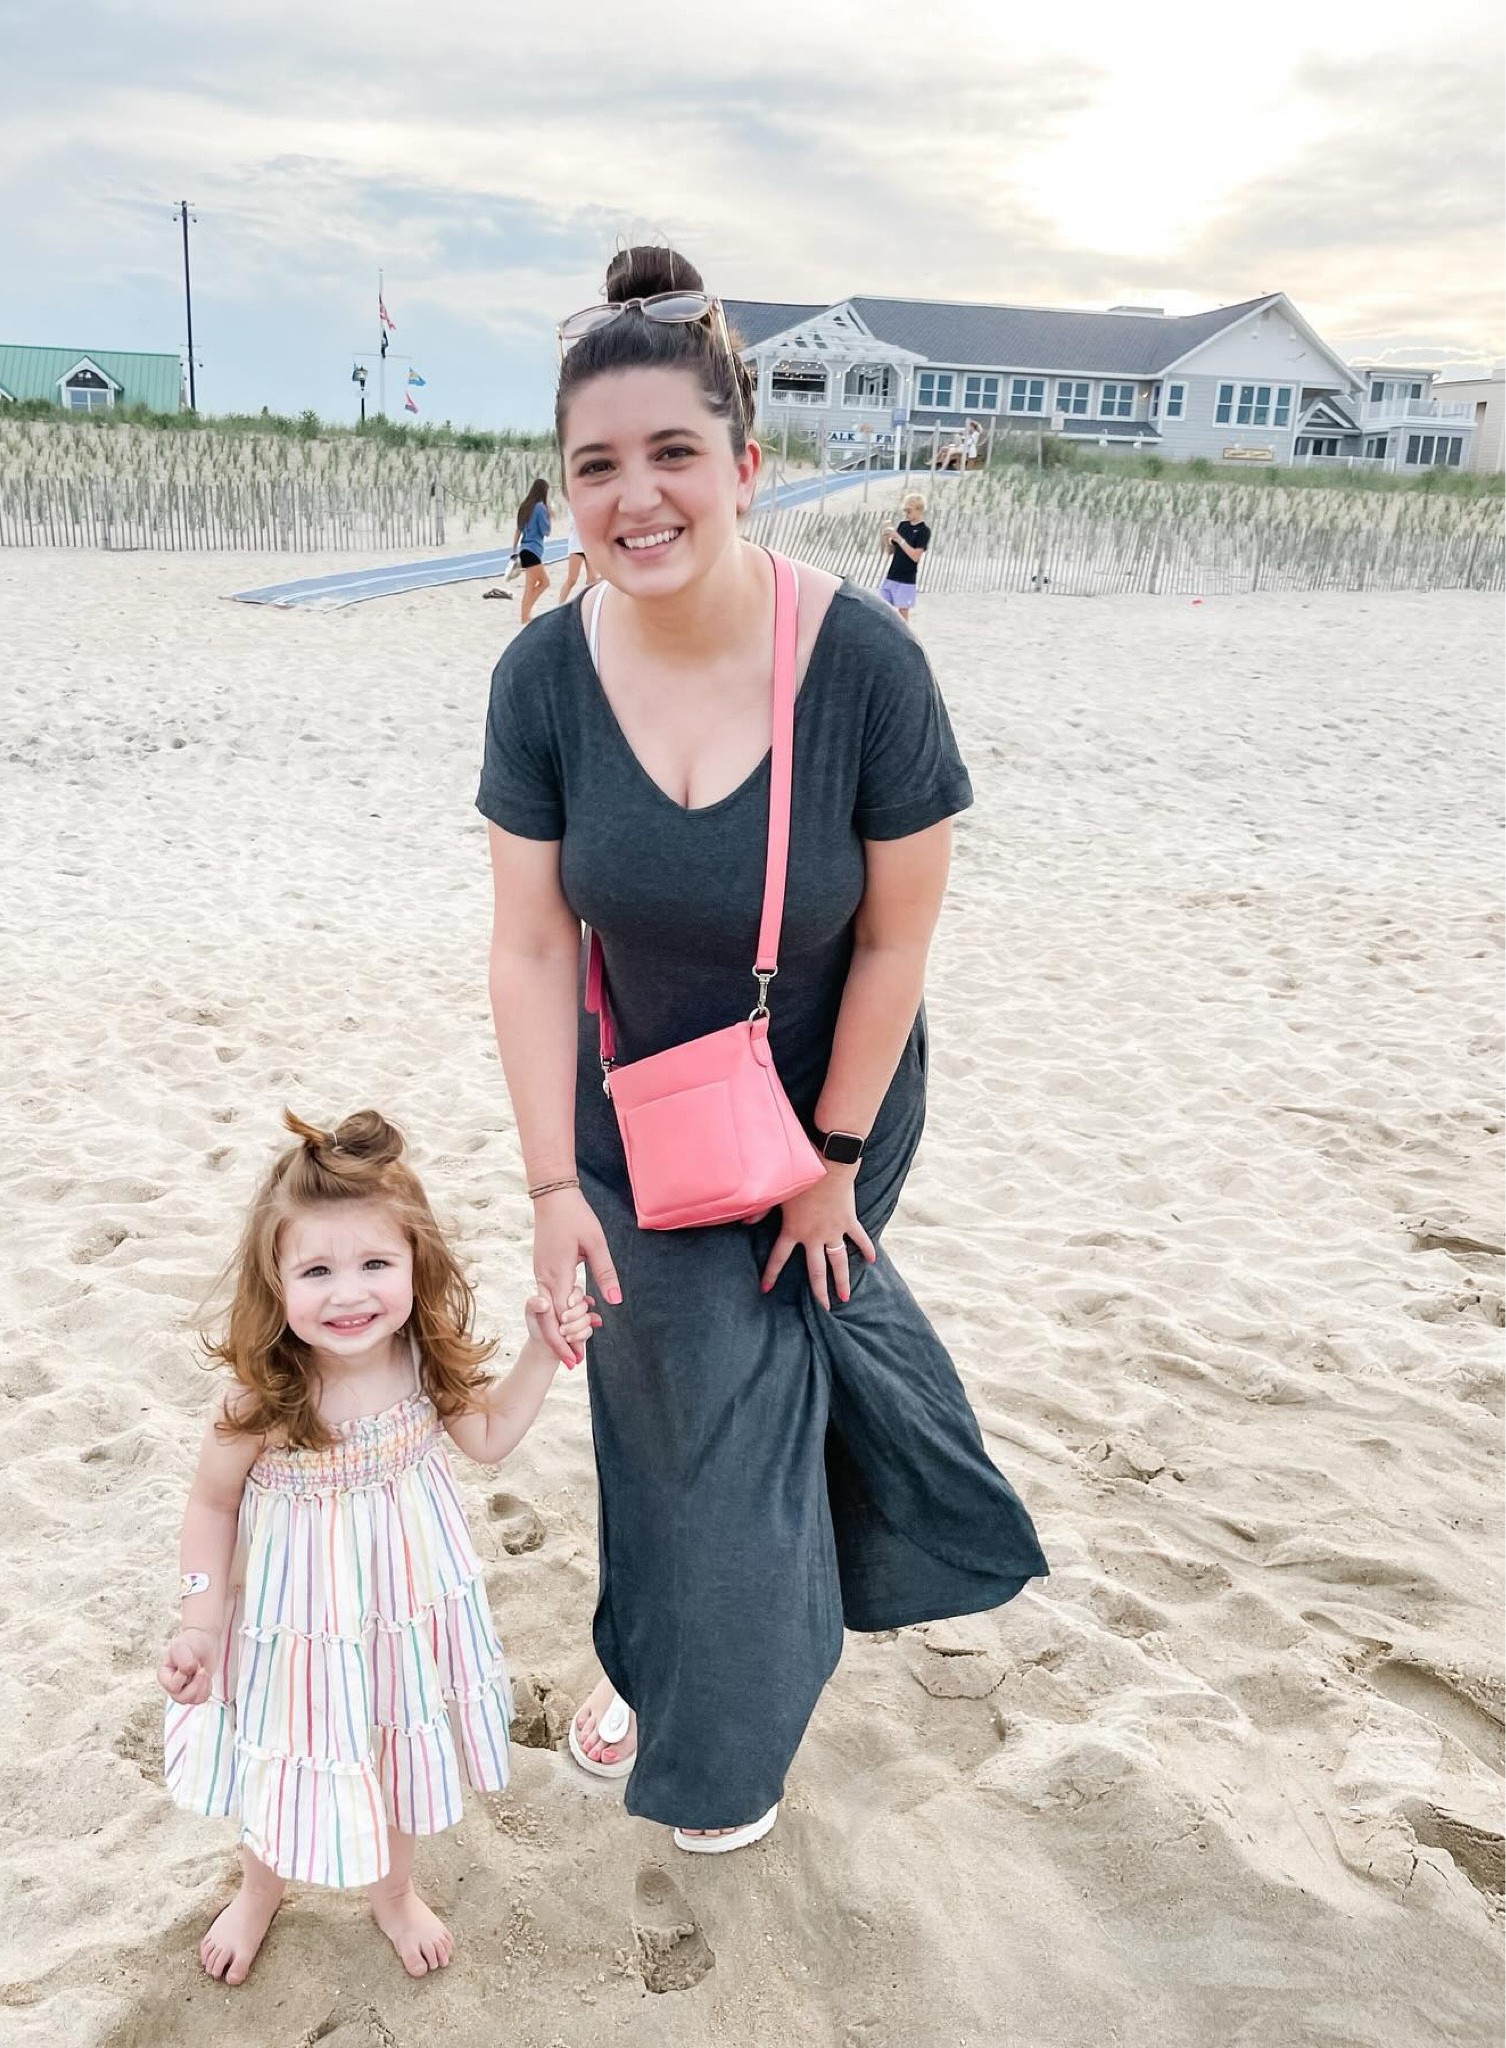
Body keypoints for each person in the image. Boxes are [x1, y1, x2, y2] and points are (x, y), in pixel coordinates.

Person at [477, 245, 1048, 1855]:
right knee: (666, 1413)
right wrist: (543, 1186)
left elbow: (892, 937)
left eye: (671, 454)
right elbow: (529, 945)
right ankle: (661, 1656)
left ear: (746, 465)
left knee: (734, 1421)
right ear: (563, 487)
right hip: (627, 1117)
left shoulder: (865, 669)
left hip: (829, 1094)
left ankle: (712, 1738)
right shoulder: (538, 678)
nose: (633, 496)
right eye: (596, 465)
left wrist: (832, 1170)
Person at [157, 1108, 596, 1986]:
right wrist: (201, 1619)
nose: (348, 1293)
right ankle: (259, 1887)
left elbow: (488, 1437)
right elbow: (209, 1503)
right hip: (295, 1621)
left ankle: (392, 1893)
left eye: (374, 1264)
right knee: (282, 1752)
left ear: (414, 1266)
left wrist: (544, 1355)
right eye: (315, 1269)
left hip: (403, 1608)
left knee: (390, 1742)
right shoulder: (264, 1396)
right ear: (274, 1282)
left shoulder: (424, 1364)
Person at [879, 492, 930, 623]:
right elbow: (890, 551)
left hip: (906, 578)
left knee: (903, 612)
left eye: (909, 510)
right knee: (883, 608)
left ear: (919, 510)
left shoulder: (924, 531)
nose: (906, 514)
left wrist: (899, 538)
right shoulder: (903, 525)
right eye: (905, 510)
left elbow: (915, 556)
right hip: (892, 574)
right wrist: (886, 538)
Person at [511, 479, 553, 626]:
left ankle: (525, 615)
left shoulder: (525, 507)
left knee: (530, 586)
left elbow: (518, 530)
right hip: (534, 550)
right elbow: (546, 531)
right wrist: (549, 516)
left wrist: (514, 550)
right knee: (544, 583)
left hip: (524, 550)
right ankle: (525, 612)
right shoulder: (541, 508)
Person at [557, 515, 590, 604]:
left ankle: (589, 605)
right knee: (572, 579)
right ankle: (560, 605)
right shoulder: (575, 506)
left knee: (592, 580)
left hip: (589, 545)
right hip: (576, 546)